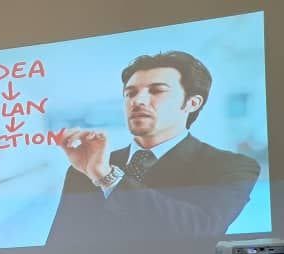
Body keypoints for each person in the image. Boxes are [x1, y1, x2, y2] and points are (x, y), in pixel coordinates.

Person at [50, 51, 261, 243]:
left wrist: (107, 177)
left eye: (157, 90)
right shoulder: (88, 168)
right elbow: (59, 249)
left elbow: (200, 228)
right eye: (130, 93)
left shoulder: (232, 166)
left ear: (192, 103)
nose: (137, 101)